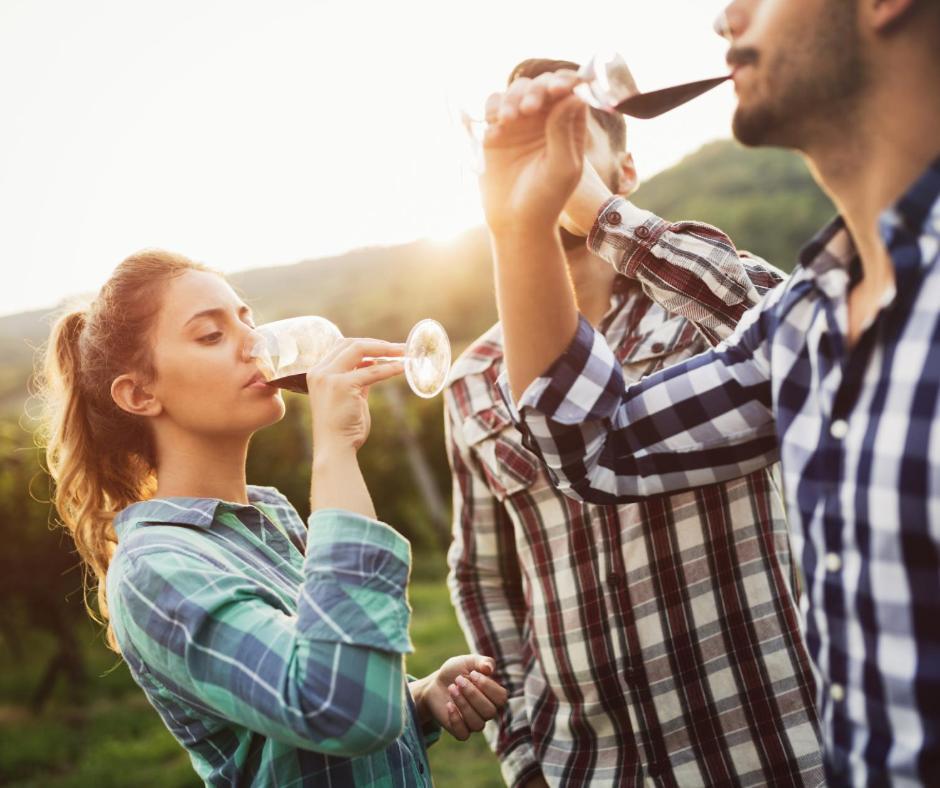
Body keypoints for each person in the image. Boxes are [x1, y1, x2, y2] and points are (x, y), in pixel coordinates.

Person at [478, 0, 940, 784]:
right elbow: (593, 446)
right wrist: (519, 228)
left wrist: (599, 214)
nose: (726, 15)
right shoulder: (807, 320)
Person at [446, 57, 823, 788]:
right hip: (587, 769)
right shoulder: (471, 380)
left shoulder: (701, 308)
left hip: (767, 750)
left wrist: (587, 207)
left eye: (564, 138)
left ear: (622, 170)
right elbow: (482, 577)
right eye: (520, 148)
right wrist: (525, 757)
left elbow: (809, 338)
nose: (541, 163)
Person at [37, 250, 508, 786]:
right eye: (212, 335)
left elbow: (325, 672)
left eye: (248, 321)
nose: (256, 346)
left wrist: (418, 697)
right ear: (140, 393)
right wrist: (336, 449)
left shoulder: (268, 517)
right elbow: (342, 708)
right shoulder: (155, 569)